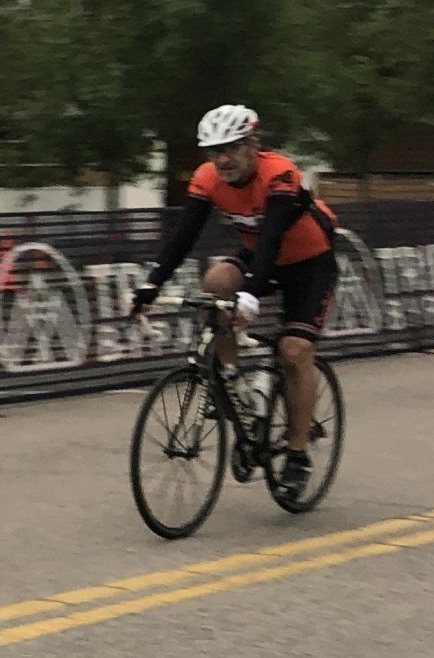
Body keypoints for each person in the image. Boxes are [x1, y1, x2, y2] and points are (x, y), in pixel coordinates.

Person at [129, 104, 338, 501]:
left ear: (252, 145)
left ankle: (297, 457)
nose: (221, 159)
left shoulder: (279, 173)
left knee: (294, 351)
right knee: (216, 281)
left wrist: (252, 296)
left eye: (231, 148)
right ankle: (231, 382)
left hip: (309, 263)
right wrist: (150, 286)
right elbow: (183, 237)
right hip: (260, 254)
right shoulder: (207, 178)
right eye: (213, 151)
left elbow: (273, 236)